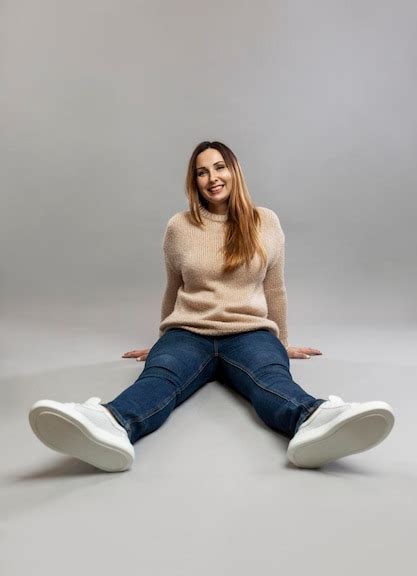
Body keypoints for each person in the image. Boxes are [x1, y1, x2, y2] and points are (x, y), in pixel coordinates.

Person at [28, 140, 395, 472]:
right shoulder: (179, 226)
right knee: (161, 377)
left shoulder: (265, 221)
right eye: (202, 172)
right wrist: (162, 340)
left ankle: (315, 421)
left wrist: (281, 342)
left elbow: (275, 289)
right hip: (189, 332)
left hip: (249, 331)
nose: (212, 178)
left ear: (234, 171)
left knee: (270, 378)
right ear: (194, 181)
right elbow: (173, 288)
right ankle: (109, 424)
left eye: (219, 167)